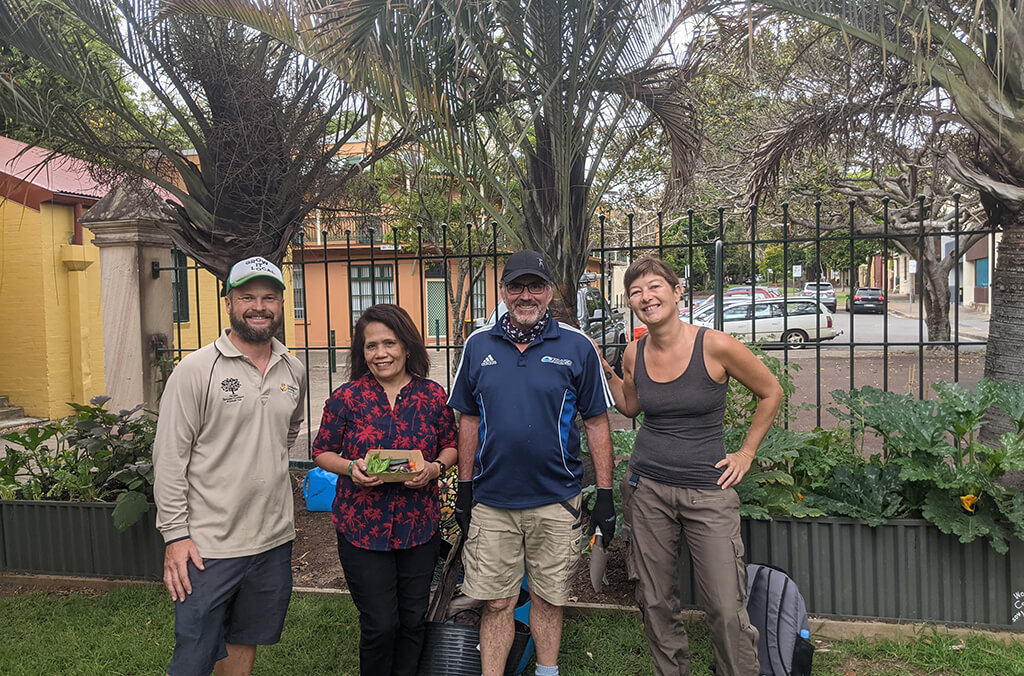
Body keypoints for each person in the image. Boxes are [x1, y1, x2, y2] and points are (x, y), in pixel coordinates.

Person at [600, 256, 784, 676]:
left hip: (708, 490)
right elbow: (632, 406)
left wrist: (745, 454)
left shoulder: (715, 345)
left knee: (724, 603)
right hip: (647, 489)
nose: (645, 297)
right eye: (635, 292)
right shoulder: (634, 352)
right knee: (656, 599)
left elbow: (771, 392)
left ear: (677, 291)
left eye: (653, 287)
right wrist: (606, 369)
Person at [449, 250, 617, 676]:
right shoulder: (477, 345)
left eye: (535, 286)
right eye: (516, 286)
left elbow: (597, 422)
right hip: (492, 501)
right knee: (498, 601)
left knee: (548, 599)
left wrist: (605, 494)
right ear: (503, 292)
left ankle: (547, 672)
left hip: (556, 501)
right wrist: (464, 489)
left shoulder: (577, 346)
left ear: (548, 294)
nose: (526, 295)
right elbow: (468, 418)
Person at [154, 256, 307, 676]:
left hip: (272, 539)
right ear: (228, 303)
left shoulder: (292, 369)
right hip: (207, 546)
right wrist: (176, 535)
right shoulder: (196, 371)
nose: (259, 306)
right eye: (247, 297)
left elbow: (288, 431)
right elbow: (169, 457)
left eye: (269, 297)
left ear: (280, 304)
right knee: (194, 657)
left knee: (245, 638)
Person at [311, 304, 458, 676]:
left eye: (389, 343)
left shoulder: (432, 396)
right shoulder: (346, 397)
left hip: (418, 526)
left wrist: (434, 468)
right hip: (362, 527)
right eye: (371, 346)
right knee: (379, 625)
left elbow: (451, 446)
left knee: (411, 621)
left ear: (407, 346)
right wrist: (350, 468)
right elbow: (321, 450)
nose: (381, 354)